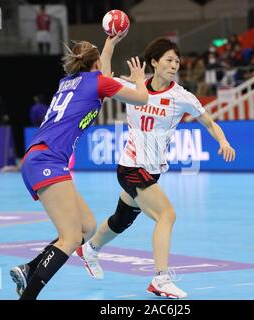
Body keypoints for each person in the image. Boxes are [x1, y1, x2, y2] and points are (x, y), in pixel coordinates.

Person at [76, 38, 236, 299]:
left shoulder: (181, 97)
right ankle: (160, 279)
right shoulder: (133, 87)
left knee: (121, 220)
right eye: (169, 60)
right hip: (131, 166)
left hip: (152, 170)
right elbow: (103, 76)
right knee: (167, 215)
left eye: (177, 61)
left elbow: (209, 122)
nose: (174, 65)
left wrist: (223, 140)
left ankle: (90, 249)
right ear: (154, 62)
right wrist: (110, 43)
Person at [9, 33, 148, 300]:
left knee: (87, 227)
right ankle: (29, 296)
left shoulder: (69, 82)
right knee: (71, 238)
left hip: (42, 158)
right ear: (96, 65)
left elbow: (102, 75)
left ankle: (29, 269)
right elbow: (141, 98)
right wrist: (139, 80)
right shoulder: (98, 82)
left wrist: (110, 43)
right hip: (47, 160)